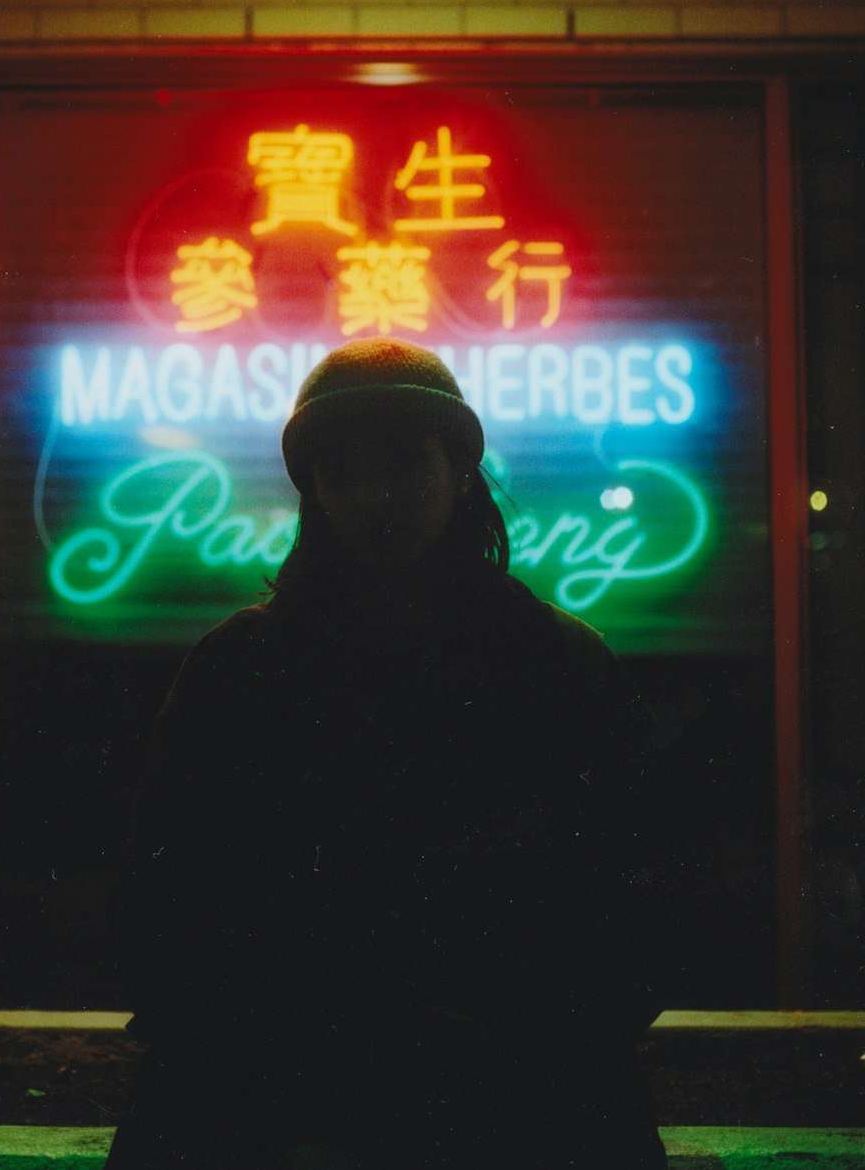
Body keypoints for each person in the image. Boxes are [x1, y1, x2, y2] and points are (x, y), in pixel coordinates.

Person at [107, 337, 668, 1169]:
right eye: (346, 471)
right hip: (476, 1095)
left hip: (332, 1091)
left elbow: (631, 901)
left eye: (403, 463)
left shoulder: (244, 665)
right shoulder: (555, 657)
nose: (375, 496)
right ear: (317, 491)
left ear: (459, 470)